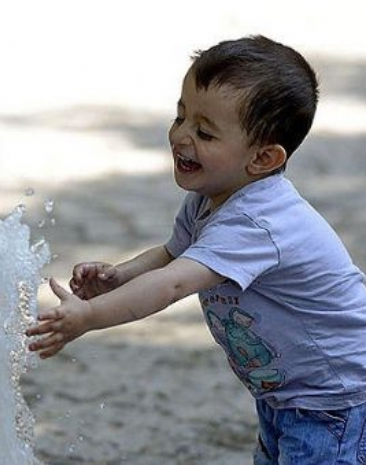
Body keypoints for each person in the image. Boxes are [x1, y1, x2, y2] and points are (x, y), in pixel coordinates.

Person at [26, 35, 366, 464]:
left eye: (204, 132)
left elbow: (173, 283)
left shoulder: (257, 222)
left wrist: (90, 317)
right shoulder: (212, 196)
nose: (181, 136)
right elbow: (171, 255)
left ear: (263, 158)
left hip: (337, 401)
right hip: (290, 393)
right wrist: (119, 278)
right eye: (180, 116)